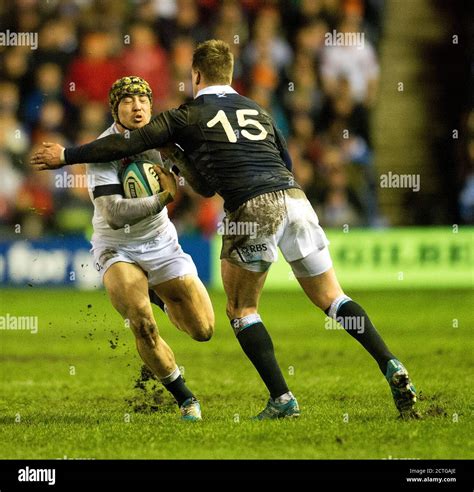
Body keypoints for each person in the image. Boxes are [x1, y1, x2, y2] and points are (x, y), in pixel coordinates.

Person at [31, 41, 417, 419]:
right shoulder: (259, 110)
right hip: (295, 198)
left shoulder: (186, 116)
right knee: (332, 297)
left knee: (242, 309)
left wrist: (65, 156)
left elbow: (130, 144)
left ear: (195, 75)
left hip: (253, 206)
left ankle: (282, 397)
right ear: (230, 75)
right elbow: (281, 160)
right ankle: (391, 363)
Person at [52, 76, 215, 421]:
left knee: (203, 330)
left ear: (151, 106)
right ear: (115, 109)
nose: (136, 106)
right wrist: (163, 198)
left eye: (142, 100)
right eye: (127, 101)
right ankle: (185, 398)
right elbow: (112, 214)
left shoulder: (163, 139)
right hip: (117, 248)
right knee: (142, 324)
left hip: (161, 243)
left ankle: (160, 296)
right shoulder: (102, 150)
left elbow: (202, 184)